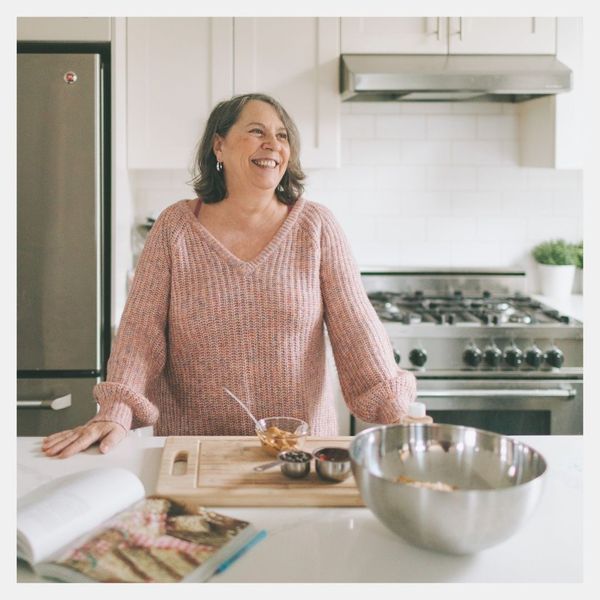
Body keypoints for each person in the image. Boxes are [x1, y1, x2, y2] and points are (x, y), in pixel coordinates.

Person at [42, 93, 417, 459]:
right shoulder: (175, 227)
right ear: (218, 146)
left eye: (282, 135)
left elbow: (356, 327)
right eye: (257, 131)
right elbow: (141, 332)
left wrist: (395, 410)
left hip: (299, 455)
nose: (273, 144)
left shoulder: (315, 226)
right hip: (194, 453)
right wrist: (116, 410)